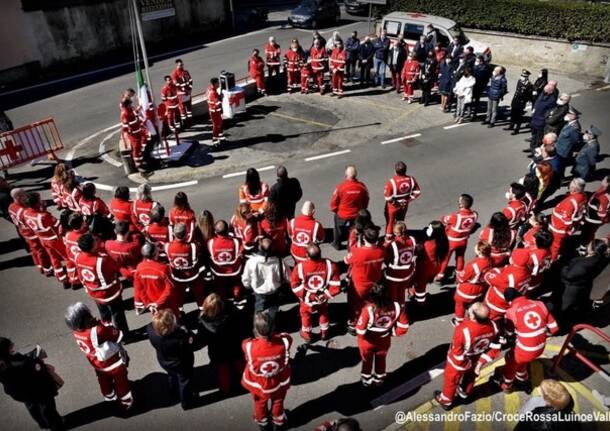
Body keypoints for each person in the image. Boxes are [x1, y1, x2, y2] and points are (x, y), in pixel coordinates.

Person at [65, 302, 133, 411]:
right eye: (89, 316)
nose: (93, 317)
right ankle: (126, 402)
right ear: (84, 321)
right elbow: (118, 335)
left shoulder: (76, 332)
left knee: (104, 380)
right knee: (121, 382)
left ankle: (110, 397)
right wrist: (103, 324)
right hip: (112, 363)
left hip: (96, 363)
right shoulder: (98, 330)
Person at [492, 288, 558, 392]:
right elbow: (554, 328)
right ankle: (523, 380)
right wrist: (538, 335)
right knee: (521, 363)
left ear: (509, 301)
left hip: (526, 350)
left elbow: (509, 333)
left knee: (510, 360)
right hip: (540, 347)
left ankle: (506, 385)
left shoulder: (511, 312)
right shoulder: (540, 304)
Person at [434, 302, 497, 410]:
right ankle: (465, 392)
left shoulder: (463, 330)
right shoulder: (494, 326)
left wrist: (463, 365)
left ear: (473, 316)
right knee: (471, 376)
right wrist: (479, 364)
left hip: (460, 361)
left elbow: (457, 353)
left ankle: (446, 401)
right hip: (477, 357)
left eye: (470, 310)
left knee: (451, 380)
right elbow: (495, 347)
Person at [241, 312, 292, 430]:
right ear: (273, 328)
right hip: (278, 381)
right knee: (278, 401)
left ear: (255, 330)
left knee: (259, 403)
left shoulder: (248, 345)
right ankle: (278, 422)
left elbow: (245, 343)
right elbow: (286, 336)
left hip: (259, 383)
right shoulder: (284, 342)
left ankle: (263, 423)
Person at [0, 337, 64, 430]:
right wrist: (38, 359)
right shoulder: (19, 363)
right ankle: (56, 426)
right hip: (37, 389)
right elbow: (36, 368)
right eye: (10, 345)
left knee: (33, 408)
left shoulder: (3, 364)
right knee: (47, 408)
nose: (13, 345)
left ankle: (43, 424)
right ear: (5, 350)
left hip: (20, 393)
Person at [75, 233, 130, 335]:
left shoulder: (78, 257)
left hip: (94, 292)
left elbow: (80, 274)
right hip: (110, 293)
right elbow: (115, 266)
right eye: (94, 241)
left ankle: (107, 331)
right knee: (118, 314)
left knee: (104, 314)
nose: (96, 241)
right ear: (92, 247)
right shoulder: (102, 260)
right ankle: (124, 335)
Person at [356, 283, 409, 387]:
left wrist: (363, 339)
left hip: (368, 341)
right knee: (381, 358)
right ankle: (379, 378)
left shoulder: (368, 310)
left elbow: (360, 330)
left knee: (367, 360)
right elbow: (404, 327)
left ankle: (367, 379)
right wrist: (392, 333)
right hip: (384, 339)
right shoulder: (397, 306)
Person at [146, 308, 196, 409]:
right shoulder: (180, 337)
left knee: (172, 375)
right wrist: (187, 332)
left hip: (164, 361)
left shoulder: (150, 330)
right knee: (184, 381)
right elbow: (192, 343)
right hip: (181, 363)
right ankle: (186, 403)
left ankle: (174, 392)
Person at [198, 293, 247, 395]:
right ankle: (247, 382)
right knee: (240, 365)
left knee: (222, 371)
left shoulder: (203, 322)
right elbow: (242, 326)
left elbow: (201, 340)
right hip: (234, 346)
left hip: (217, 351)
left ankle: (225, 390)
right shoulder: (231, 315)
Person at [291, 243, 341, 342]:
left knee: (305, 315)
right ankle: (324, 332)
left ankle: (307, 334)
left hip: (307, 299)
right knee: (323, 313)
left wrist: (311, 296)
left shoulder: (300, 267)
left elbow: (295, 286)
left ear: (307, 255)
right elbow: (336, 285)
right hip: (323, 298)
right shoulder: (330, 265)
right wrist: (326, 295)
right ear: (320, 254)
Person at [556, 239, 608, 327]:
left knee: (563, 308)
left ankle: (560, 324)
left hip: (570, 289)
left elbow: (569, 275)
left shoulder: (584, 264)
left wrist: (564, 267)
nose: (587, 245)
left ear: (592, 249)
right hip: (581, 287)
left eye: (590, 244)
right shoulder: (600, 260)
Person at [22, 192, 69, 287]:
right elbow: (57, 224)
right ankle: (73, 277)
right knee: (67, 257)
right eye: (39, 200)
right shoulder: (43, 216)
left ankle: (61, 277)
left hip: (43, 239)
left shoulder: (25, 213)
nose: (41, 201)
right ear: (36, 203)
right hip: (54, 239)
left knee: (54, 258)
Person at [344, 226, 385, 333]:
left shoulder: (357, 253)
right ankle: (368, 320)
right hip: (374, 283)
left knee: (355, 305)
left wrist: (353, 235)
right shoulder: (381, 251)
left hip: (359, 285)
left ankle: (354, 324)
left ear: (364, 239)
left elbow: (346, 260)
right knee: (371, 303)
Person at [242, 238, 290, 318]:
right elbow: (288, 277)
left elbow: (246, 279)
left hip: (259, 292)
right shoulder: (279, 262)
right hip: (274, 291)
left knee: (259, 309)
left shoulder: (251, 262)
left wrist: (248, 286)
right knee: (273, 308)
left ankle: (260, 325)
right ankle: (273, 322)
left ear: (259, 248)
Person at [8, 188, 51, 276]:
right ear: (18, 197)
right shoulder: (23, 211)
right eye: (24, 194)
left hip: (23, 231)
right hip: (31, 233)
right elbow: (33, 220)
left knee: (33, 249)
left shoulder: (11, 206)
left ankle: (39, 265)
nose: (26, 195)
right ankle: (46, 268)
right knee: (40, 250)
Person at [166, 223, 206, 313]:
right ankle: (202, 310)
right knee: (199, 294)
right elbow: (195, 260)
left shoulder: (167, 246)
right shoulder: (192, 246)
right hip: (193, 275)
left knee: (179, 296)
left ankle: (179, 312)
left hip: (178, 277)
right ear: (186, 234)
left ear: (173, 234)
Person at [437, 194, 478, 281]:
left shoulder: (456, 216)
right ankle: (459, 275)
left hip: (451, 241)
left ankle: (440, 275)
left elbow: (443, 219)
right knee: (460, 257)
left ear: (461, 204)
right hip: (463, 240)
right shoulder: (474, 215)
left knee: (445, 258)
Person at [483, 248, 531, 321]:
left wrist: (493, 271)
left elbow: (488, 277)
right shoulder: (526, 270)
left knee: (487, 319)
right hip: (509, 302)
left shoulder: (509, 277)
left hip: (496, 303)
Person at [452, 241, 493, 326]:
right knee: (473, 303)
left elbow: (462, 277)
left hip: (467, 289)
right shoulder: (490, 261)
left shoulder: (474, 265)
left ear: (479, 251)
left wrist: (458, 280)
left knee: (459, 305)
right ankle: (472, 316)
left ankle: (458, 322)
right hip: (480, 288)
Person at [208, 220, 246, 309]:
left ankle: (223, 301)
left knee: (220, 286)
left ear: (215, 232)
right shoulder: (236, 242)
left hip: (218, 271)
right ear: (228, 231)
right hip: (234, 270)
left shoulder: (211, 242)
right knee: (236, 284)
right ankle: (238, 299)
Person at [134, 242, 179, 316]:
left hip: (152, 303)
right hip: (166, 302)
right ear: (155, 254)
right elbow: (170, 287)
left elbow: (139, 289)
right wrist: (158, 303)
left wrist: (148, 304)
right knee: (172, 319)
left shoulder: (139, 268)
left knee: (159, 322)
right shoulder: (163, 268)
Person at [330, 165, 369, 250]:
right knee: (354, 231)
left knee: (337, 229)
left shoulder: (340, 187)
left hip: (342, 215)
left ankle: (337, 244)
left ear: (346, 175)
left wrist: (336, 210)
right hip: (356, 215)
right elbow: (366, 199)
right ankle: (351, 245)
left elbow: (333, 203)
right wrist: (362, 209)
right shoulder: (362, 187)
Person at [549, 178, 587, 261]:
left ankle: (552, 259)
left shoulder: (570, 202)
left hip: (559, 228)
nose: (569, 185)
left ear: (574, 189)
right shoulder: (583, 195)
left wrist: (566, 230)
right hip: (565, 227)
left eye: (571, 184)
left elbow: (566, 220)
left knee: (556, 245)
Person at [383, 161, 421, 239]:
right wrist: (408, 200)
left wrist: (396, 203)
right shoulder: (411, 179)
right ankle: (400, 237)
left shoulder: (391, 182)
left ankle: (388, 239)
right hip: (404, 206)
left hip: (392, 207)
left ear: (395, 171)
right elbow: (417, 192)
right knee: (400, 222)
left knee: (390, 223)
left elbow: (387, 198)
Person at [413, 221, 449, 304]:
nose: (427, 229)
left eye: (429, 228)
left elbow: (416, 252)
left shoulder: (427, 244)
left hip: (424, 268)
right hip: (435, 267)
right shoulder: (443, 241)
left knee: (420, 286)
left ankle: (421, 302)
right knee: (424, 282)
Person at [383, 221, 417, 305]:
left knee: (393, 297)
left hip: (393, 275)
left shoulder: (393, 244)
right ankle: (402, 309)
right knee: (401, 294)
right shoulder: (412, 240)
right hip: (407, 273)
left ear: (396, 233)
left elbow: (386, 259)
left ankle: (395, 313)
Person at [120, 97, 148, 171]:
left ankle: (140, 161)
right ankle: (138, 164)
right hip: (133, 134)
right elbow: (125, 126)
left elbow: (135, 116)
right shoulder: (125, 113)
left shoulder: (130, 110)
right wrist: (132, 131)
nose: (131, 104)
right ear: (127, 105)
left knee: (138, 147)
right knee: (136, 148)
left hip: (137, 131)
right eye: (130, 103)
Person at [530, 82, 558, 151]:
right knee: (534, 136)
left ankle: (535, 151)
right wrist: (534, 109)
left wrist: (544, 119)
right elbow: (537, 101)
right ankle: (531, 147)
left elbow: (549, 113)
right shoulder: (543, 94)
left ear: (550, 91)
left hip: (541, 121)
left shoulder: (552, 100)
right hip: (534, 119)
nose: (544, 91)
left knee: (539, 138)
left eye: (545, 90)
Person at [525, 229, 553, 295]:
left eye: (535, 238)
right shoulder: (547, 251)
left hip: (530, 281)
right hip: (539, 278)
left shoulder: (533, 256)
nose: (533, 238)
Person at [63, 213, 87, 289]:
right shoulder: (83, 237)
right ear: (82, 223)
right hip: (81, 259)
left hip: (72, 257)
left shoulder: (68, 234)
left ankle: (74, 281)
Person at [555, 106, 582, 172]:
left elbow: (574, 141)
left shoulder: (575, 128)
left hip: (564, 152)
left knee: (561, 168)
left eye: (568, 113)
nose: (566, 114)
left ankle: (561, 179)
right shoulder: (569, 123)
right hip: (559, 149)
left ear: (574, 116)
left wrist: (568, 151)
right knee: (558, 167)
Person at [506, 69, 533, 134]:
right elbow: (517, 91)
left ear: (527, 77)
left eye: (524, 76)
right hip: (515, 100)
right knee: (513, 114)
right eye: (521, 75)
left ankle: (517, 129)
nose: (522, 77)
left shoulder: (529, 85)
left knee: (519, 116)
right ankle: (511, 125)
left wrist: (525, 101)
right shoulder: (519, 81)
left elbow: (529, 95)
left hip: (521, 102)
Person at [471, 55, 491, 120]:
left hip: (479, 86)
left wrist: (475, 69)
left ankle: (474, 114)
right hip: (473, 85)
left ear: (481, 62)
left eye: (477, 61)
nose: (476, 62)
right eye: (476, 61)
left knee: (476, 100)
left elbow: (479, 75)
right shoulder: (475, 66)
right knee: (470, 99)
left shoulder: (485, 68)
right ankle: (470, 112)